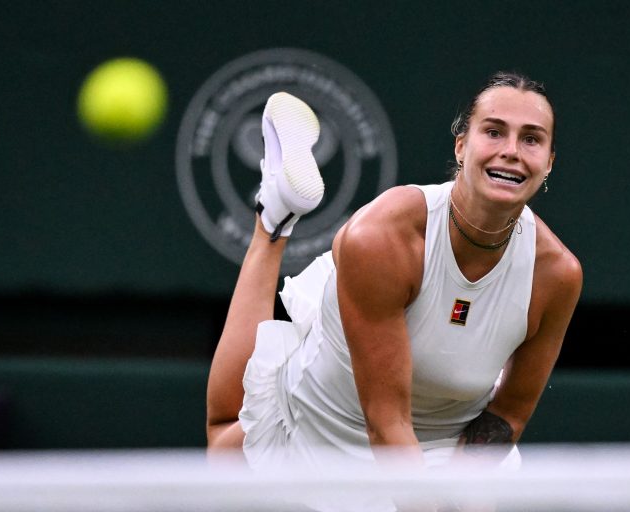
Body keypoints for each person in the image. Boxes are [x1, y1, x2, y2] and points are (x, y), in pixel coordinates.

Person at [205, 72, 583, 479]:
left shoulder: (557, 275)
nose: (511, 151)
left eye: (531, 139)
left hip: (445, 446)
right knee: (224, 443)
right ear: (461, 146)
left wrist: (462, 495)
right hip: (334, 421)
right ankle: (274, 218)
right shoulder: (382, 239)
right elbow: (386, 423)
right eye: (493, 132)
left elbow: (507, 414)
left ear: (548, 163)